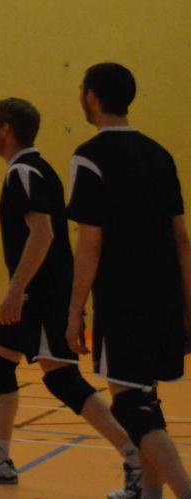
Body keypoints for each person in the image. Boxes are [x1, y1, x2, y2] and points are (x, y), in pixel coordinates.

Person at [0, 99, 143, 496]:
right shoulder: (35, 169)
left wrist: (16, 290)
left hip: (40, 297)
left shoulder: (23, 172)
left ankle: (136, 458)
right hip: (43, 295)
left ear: (6, 130)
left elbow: (44, 233)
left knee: (63, 379)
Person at [66, 63, 191, 499]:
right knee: (144, 400)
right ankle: (150, 494)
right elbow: (182, 239)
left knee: (131, 405)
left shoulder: (90, 155)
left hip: (124, 300)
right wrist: (188, 305)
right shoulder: (160, 155)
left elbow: (90, 242)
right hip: (165, 296)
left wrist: (75, 308)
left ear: (92, 97)